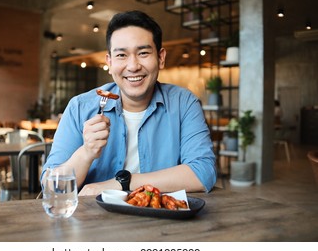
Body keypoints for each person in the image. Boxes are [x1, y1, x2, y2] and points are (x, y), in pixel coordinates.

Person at [42, 10, 217, 196]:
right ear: (109, 62)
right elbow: (51, 188)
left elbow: (203, 172)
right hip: (94, 222)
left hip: (161, 221)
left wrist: (122, 183)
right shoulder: (80, 107)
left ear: (161, 58)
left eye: (143, 53)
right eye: (121, 55)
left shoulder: (184, 103)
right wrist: (86, 153)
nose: (133, 66)